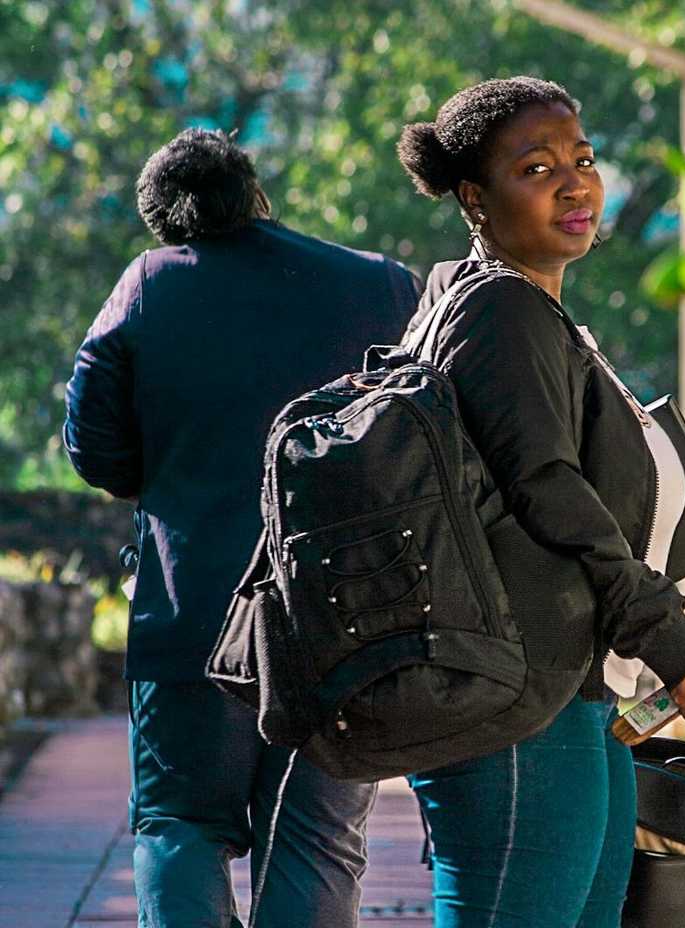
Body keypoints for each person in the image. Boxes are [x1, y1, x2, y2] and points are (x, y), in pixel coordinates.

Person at [396, 76, 685, 928]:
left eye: (582, 160)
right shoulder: (500, 314)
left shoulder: (535, 316)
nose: (574, 183)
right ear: (475, 197)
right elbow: (550, 491)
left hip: (574, 690)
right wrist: (672, 641)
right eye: (538, 167)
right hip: (516, 697)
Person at [63, 128, 420, 928]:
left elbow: (95, 447)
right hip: (345, 622)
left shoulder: (150, 284)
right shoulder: (384, 286)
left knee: (180, 823)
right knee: (318, 839)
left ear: (170, 223)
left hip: (193, 614)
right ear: (256, 193)